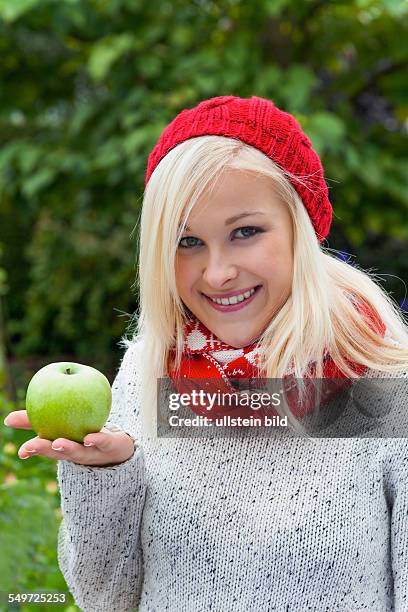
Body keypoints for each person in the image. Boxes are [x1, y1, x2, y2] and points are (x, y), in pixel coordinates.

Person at [5, 95, 408, 611]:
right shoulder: (150, 372)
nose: (217, 273)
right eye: (187, 241)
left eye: (245, 232)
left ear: (300, 229)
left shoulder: (378, 380)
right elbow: (106, 600)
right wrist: (104, 474)